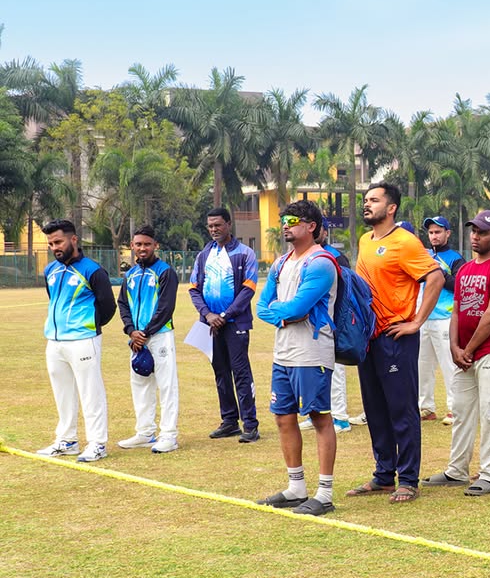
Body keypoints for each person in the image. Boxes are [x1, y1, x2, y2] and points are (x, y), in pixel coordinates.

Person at [345, 183, 445, 504]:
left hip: (396, 336)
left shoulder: (405, 242)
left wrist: (416, 322)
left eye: (374, 200)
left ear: (391, 208)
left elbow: (436, 277)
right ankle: (384, 475)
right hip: (368, 338)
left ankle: (409, 479)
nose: (367, 204)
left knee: (401, 409)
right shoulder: (365, 240)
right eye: (366, 200)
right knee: (375, 409)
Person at [254, 200, 340, 517]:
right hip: (284, 353)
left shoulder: (321, 263)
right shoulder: (280, 263)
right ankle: (296, 488)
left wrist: (283, 312)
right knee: (283, 418)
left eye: (292, 221)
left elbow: (297, 308)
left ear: (311, 226)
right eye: (284, 221)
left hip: (312, 353)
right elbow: (262, 308)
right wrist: (284, 314)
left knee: (319, 418)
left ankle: (325, 493)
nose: (285, 226)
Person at [428, 210, 490, 495]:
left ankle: (489, 474)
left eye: (483, 232)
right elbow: (456, 311)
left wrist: (466, 349)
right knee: (462, 411)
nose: (476, 237)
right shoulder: (465, 269)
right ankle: (457, 470)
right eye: (474, 231)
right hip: (465, 353)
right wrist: (454, 347)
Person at [37, 219, 115, 462]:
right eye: (51, 244)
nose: (55, 247)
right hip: (55, 341)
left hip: (83, 340)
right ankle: (67, 440)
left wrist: (88, 326)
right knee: (62, 392)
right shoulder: (50, 270)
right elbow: (53, 299)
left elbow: (108, 306)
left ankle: (98, 443)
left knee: (91, 391)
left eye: (58, 242)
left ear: (73, 239)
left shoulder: (93, 270)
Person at [189, 206, 261, 442]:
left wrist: (225, 315)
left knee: (241, 373)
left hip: (235, 323)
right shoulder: (203, 255)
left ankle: (250, 425)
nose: (214, 229)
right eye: (210, 226)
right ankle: (229, 421)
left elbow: (248, 289)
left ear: (229, 224)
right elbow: (194, 289)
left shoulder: (245, 253)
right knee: (220, 372)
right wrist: (208, 315)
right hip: (210, 325)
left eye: (218, 225)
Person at [117, 226, 180, 454]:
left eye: (147, 244)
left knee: (166, 385)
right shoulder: (131, 274)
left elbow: (165, 307)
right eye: (138, 244)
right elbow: (123, 303)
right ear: (132, 246)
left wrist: (144, 333)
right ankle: (144, 432)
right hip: (137, 339)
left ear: (155, 245)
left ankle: (169, 435)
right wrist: (131, 331)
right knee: (140, 384)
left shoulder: (165, 272)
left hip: (159, 335)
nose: (142, 248)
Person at [307, 221, 353, 433]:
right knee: (312, 370)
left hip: (332, 323)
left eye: (319, 229)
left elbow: (347, 291)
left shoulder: (335, 256)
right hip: (309, 324)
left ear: (324, 232)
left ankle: (340, 417)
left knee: (335, 370)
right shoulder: (305, 255)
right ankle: (315, 413)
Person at [419, 217, 463, 425]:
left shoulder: (455, 258)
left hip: (445, 318)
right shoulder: (424, 256)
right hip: (423, 318)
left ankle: (455, 409)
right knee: (422, 366)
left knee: (449, 366)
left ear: (448, 233)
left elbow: (459, 286)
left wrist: (439, 273)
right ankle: (426, 408)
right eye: (431, 232)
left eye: (438, 232)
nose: (434, 236)